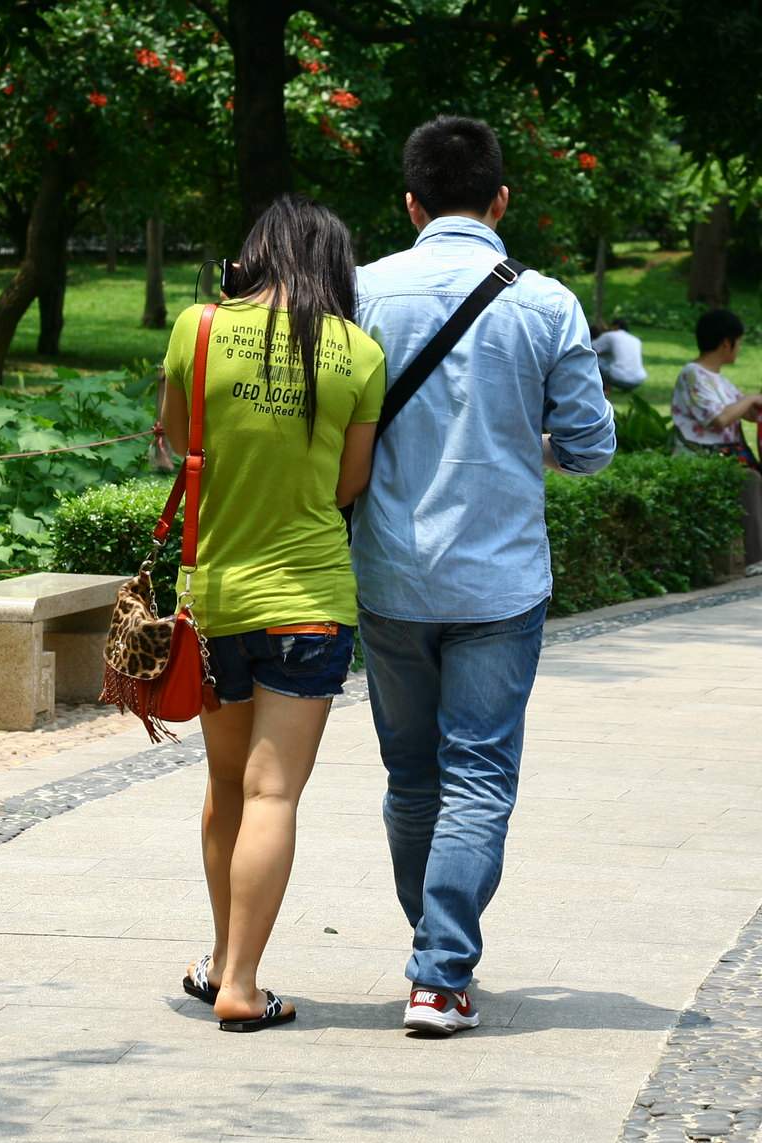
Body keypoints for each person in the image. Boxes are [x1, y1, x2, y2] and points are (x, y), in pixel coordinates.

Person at [351, 115, 616, 1036]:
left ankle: (433, 946)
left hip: (389, 576)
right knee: (478, 775)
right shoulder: (546, 303)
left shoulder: (360, 292)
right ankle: (440, 973)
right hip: (501, 581)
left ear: (411, 204)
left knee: (410, 776)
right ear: (501, 200)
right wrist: (518, 437)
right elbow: (590, 448)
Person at [162, 195, 386, 1031]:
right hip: (311, 603)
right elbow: (349, 484)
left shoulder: (198, 329)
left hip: (215, 600)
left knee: (226, 785)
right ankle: (243, 984)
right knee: (273, 792)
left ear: (254, 254)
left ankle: (224, 959)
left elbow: (178, 440)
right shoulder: (359, 352)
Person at [671, 308, 762, 576]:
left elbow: (748, 412)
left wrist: (752, 403)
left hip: (725, 456)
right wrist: (750, 399)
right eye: (739, 342)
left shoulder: (720, 381)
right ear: (726, 343)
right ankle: (756, 559)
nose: (739, 348)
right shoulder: (692, 374)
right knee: (750, 480)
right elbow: (719, 419)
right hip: (701, 456)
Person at [591, 317, 647, 396]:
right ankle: (626, 388)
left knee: (595, 359)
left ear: (616, 326)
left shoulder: (610, 335)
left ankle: (605, 389)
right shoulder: (635, 339)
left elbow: (591, 349)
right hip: (638, 379)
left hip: (620, 378)